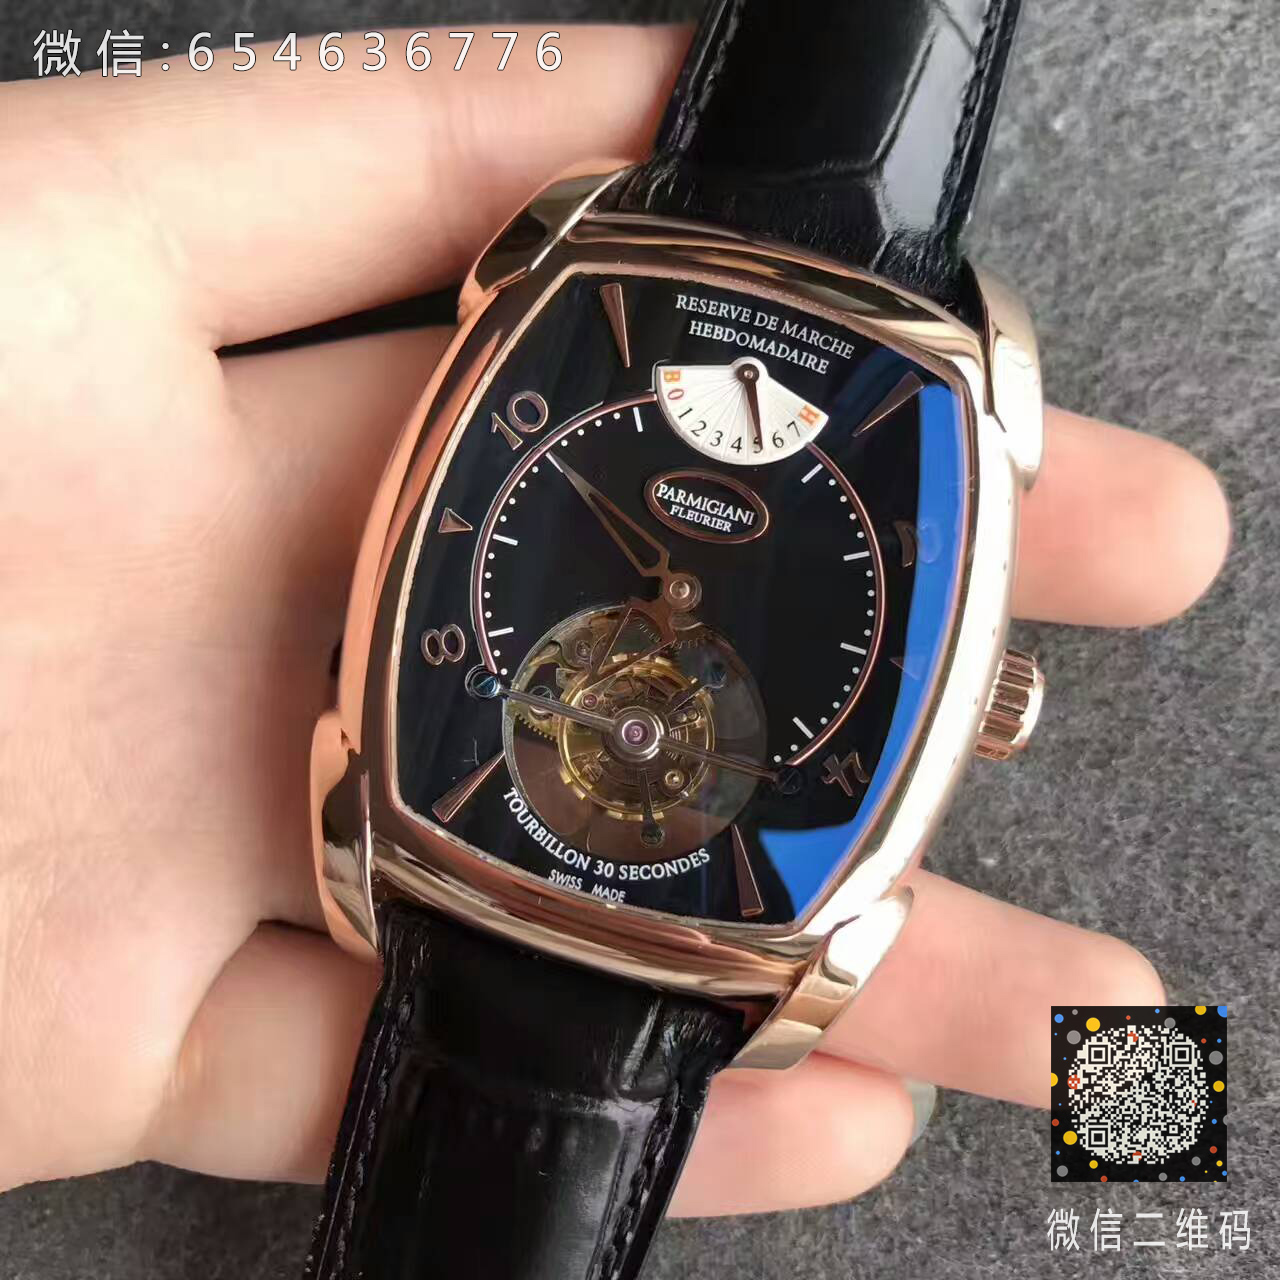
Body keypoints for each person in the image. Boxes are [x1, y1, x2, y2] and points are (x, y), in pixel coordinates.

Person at [0, 27, 1229, 1213]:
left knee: (1113, 1060)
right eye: (667, 578)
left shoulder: (943, 374)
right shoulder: (585, 251)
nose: (678, 590)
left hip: (630, 880)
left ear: (983, 706)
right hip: (461, 831)